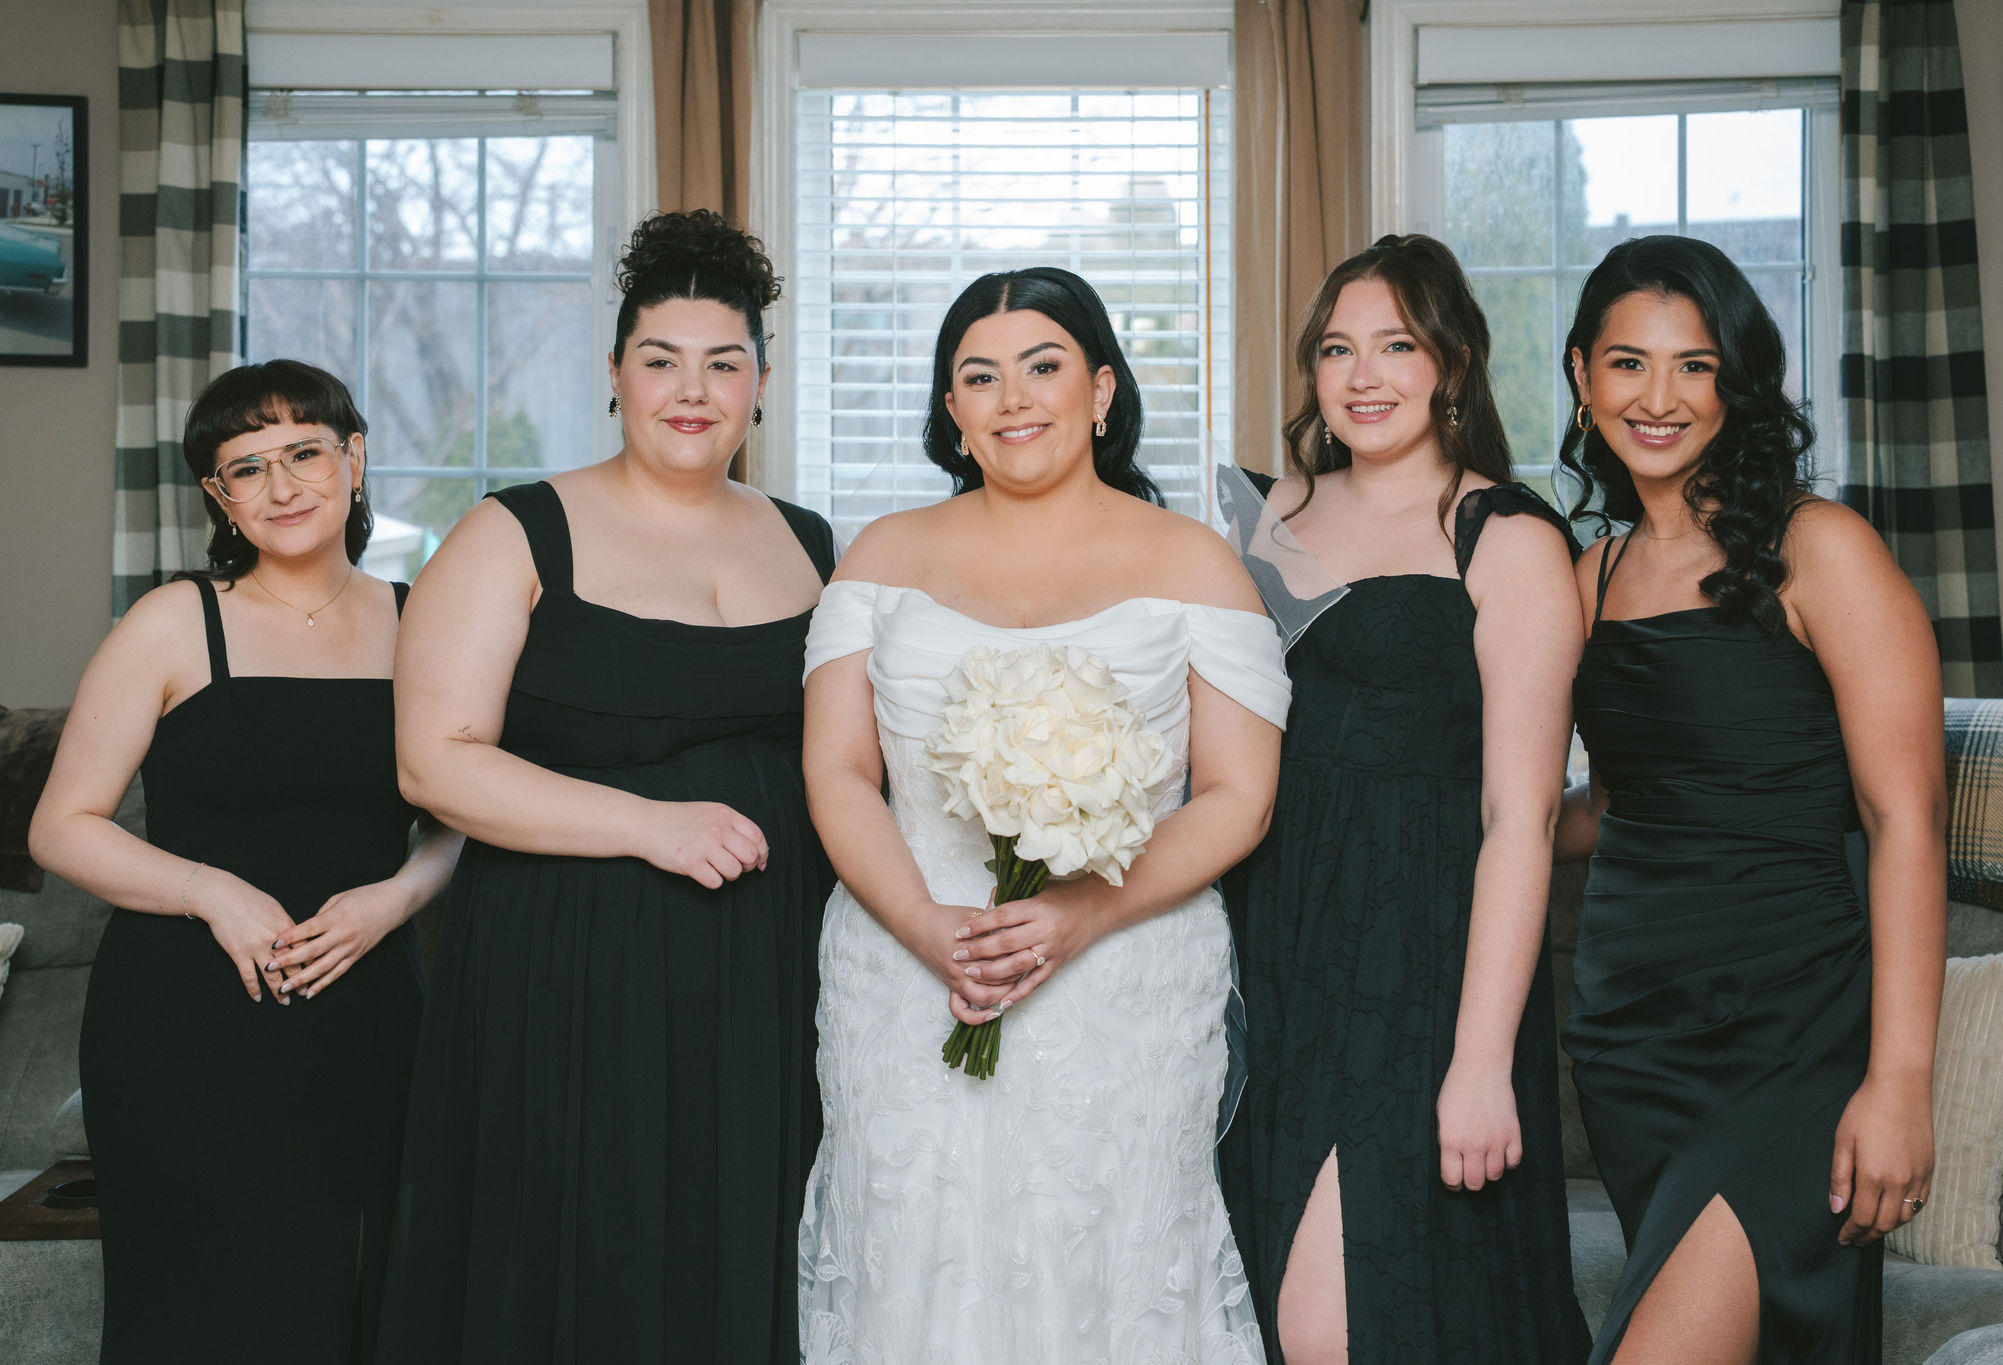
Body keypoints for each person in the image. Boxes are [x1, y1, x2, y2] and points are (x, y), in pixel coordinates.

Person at [797, 265, 1289, 1363]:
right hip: (905, 965)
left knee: (1105, 1258)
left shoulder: (1195, 563)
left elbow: (1238, 795)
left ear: (1101, 390)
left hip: (1121, 966)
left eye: (1043, 366)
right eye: (979, 376)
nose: (1013, 398)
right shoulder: (881, 557)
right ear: (950, 409)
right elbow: (837, 771)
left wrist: (1081, 913)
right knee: (915, 1256)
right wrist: (924, 926)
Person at [375, 209, 836, 1364]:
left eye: (723, 363)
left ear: (759, 385)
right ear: (616, 375)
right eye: (661, 360)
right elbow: (435, 762)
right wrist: (647, 827)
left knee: (751, 1252)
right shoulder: (510, 533)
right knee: (590, 1264)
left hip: (770, 974)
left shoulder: (813, 542)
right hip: (571, 968)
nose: (692, 391)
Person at [1554, 234, 1945, 1365]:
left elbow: (1906, 821)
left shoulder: (1820, 548)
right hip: (1630, 1038)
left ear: (1736, 380)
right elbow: (1609, 807)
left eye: (1695, 365)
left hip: (1792, 1033)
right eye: (1628, 363)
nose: (1658, 398)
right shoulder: (1592, 577)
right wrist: (1469, 830)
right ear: (1581, 375)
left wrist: (1899, 1081)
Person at [29, 360, 457, 1364]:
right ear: (219, 496)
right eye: (247, 467)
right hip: (186, 1021)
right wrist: (207, 890)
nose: (282, 485)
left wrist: (395, 899)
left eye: (304, 452)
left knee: (357, 1305)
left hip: (367, 1007)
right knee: (198, 1311)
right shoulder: (173, 620)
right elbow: (63, 825)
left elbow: (461, 817)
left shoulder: (424, 622)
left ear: (354, 458)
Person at [1217, 234, 1591, 1364]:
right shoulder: (1261, 514)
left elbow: (1521, 820)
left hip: (1420, 953)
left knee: (1343, 1320)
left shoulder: (1506, 535)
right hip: (1265, 939)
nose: (1362, 375)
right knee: (1249, 1297)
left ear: (1453, 364)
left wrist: (1480, 1062)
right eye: (1337, 349)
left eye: (1395, 345)